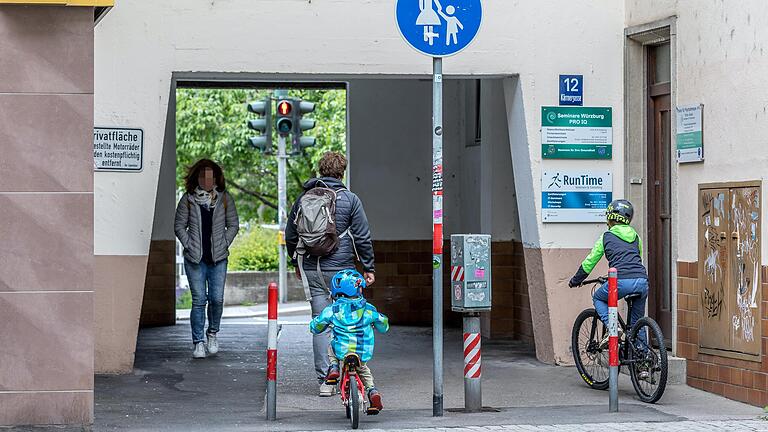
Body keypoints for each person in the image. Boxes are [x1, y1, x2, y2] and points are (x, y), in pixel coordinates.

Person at [285, 151, 375, 397]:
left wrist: (295, 262)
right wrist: (368, 267)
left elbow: (291, 235)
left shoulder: (305, 198)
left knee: (321, 322)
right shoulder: (351, 199)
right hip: (343, 273)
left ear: (321, 171)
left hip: (313, 268)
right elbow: (363, 237)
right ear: (342, 172)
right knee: (348, 319)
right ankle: (350, 371)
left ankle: (326, 381)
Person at [174, 159, 239, 359]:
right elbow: (179, 226)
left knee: (217, 299)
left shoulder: (225, 199)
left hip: (218, 258)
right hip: (195, 259)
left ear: (217, 178)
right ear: (197, 178)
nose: (207, 181)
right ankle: (198, 342)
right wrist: (189, 244)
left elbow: (233, 225)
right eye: (203, 176)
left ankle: (212, 333)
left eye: (211, 177)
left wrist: (224, 243)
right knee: (199, 300)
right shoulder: (187, 199)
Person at [568, 200, 649, 356]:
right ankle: (644, 361)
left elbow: (589, 262)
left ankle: (613, 327)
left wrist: (576, 280)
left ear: (610, 218)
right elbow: (637, 259)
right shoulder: (636, 237)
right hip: (641, 281)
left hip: (620, 281)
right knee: (637, 322)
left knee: (598, 297)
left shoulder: (606, 237)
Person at [309, 270, 389, 413]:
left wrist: (314, 324)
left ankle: (334, 368)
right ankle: (372, 392)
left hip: (341, 349)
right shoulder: (368, 310)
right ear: (358, 289)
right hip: (362, 350)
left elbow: (316, 327)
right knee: (364, 371)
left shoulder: (332, 310)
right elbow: (383, 325)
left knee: (331, 346)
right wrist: (379, 322)